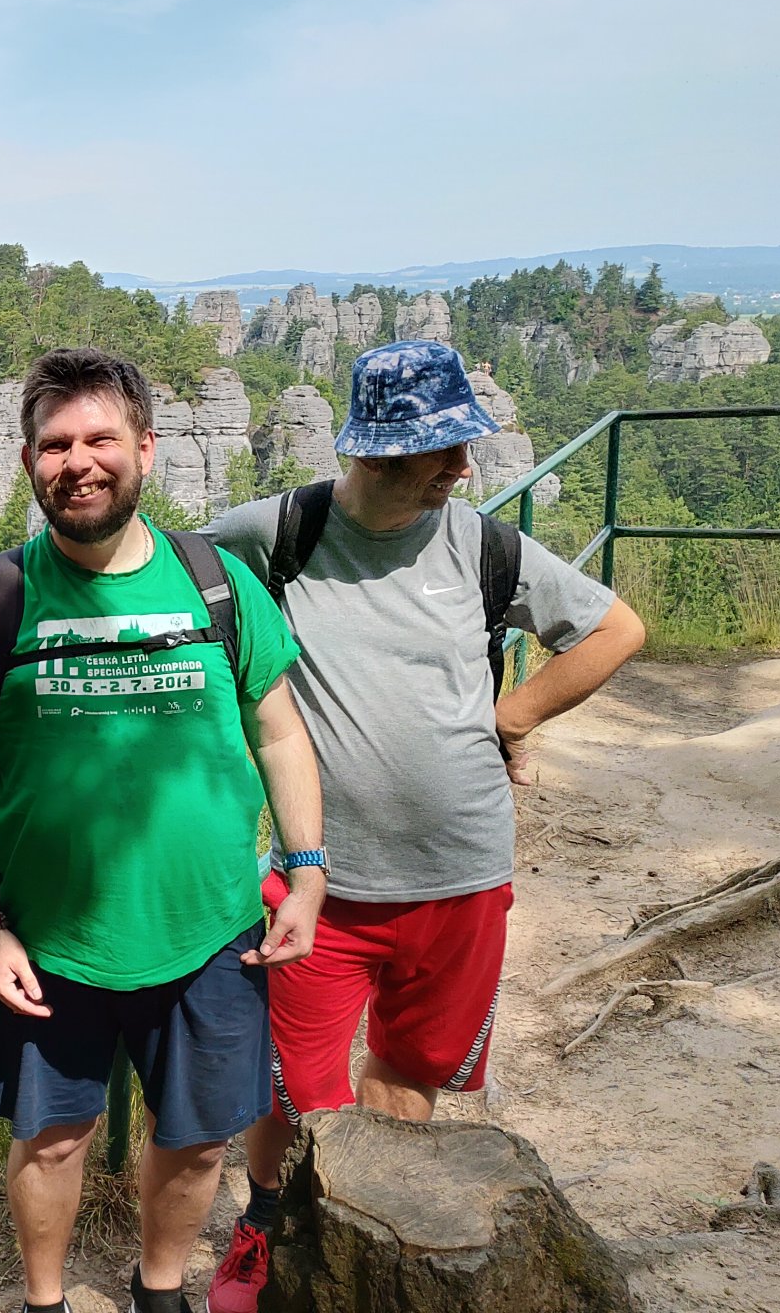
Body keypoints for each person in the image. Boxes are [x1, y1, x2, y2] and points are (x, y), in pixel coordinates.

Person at [201, 340, 645, 1313]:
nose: (463, 468)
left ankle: (361, 1262)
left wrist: (513, 717)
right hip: (319, 887)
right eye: (439, 450)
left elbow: (615, 630)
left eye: (463, 446)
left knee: (408, 1076)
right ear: (371, 451)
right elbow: (164, 591)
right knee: (291, 1090)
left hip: (463, 879)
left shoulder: (483, 547)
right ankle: (268, 1226)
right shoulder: (277, 533)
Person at [0, 348, 327, 1313]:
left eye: (100, 439)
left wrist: (308, 872)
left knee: (196, 1141)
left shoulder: (218, 583)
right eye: (55, 444)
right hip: (46, 939)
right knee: (51, 1138)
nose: (79, 462)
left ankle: (160, 1294)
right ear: (28, 461)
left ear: (146, 449)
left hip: (212, 932)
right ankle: (47, 1300)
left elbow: (280, 733)